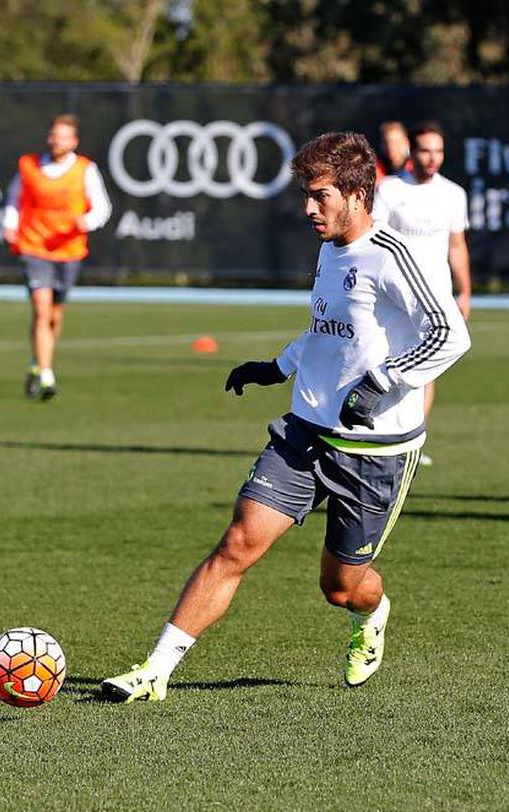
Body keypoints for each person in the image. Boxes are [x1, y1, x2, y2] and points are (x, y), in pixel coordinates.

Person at [101, 131, 470, 703]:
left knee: (341, 588)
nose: (308, 209)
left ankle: (372, 613)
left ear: (356, 194)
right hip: (304, 433)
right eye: (306, 195)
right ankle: (155, 671)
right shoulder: (328, 250)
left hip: (375, 454)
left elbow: (450, 334)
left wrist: (383, 381)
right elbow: (327, 330)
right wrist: (276, 367)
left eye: (321, 195)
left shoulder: (393, 257)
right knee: (237, 543)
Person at [373, 121, 471, 463]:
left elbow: (456, 246)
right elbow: (375, 241)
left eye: (438, 151)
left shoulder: (454, 194)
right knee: (383, 360)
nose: (433, 158)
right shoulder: (389, 191)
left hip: (436, 297)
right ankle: (375, 431)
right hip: (394, 297)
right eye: (426, 151)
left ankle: (413, 440)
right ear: (411, 152)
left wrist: (465, 291)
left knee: (426, 370)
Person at [2, 114, 111, 400]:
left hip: (69, 250)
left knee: (55, 314)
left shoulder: (85, 169)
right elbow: (14, 199)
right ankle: (47, 375)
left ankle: (37, 361)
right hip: (34, 245)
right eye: (53, 135)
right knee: (41, 309)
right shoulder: (28, 166)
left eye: (62, 137)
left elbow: (102, 208)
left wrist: (86, 221)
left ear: (74, 142)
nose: (56, 141)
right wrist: (9, 224)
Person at [375, 120, 411, 185]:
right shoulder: (374, 171)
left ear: (406, 142)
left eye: (395, 142)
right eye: (386, 143)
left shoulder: (416, 170)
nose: (390, 147)